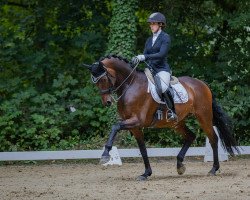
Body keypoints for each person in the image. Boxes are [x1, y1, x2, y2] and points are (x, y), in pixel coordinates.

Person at [132, 12, 177, 121]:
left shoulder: (165, 37)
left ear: (160, 24)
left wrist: (145, 57)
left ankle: (172, 111)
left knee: (162, 87)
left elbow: (162, 54)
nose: (151, 26)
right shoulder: (149, 40)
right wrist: (138, 59)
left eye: (154, 24)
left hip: (162, 69)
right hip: (150, 70)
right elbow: (145, 54)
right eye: (150, 24)